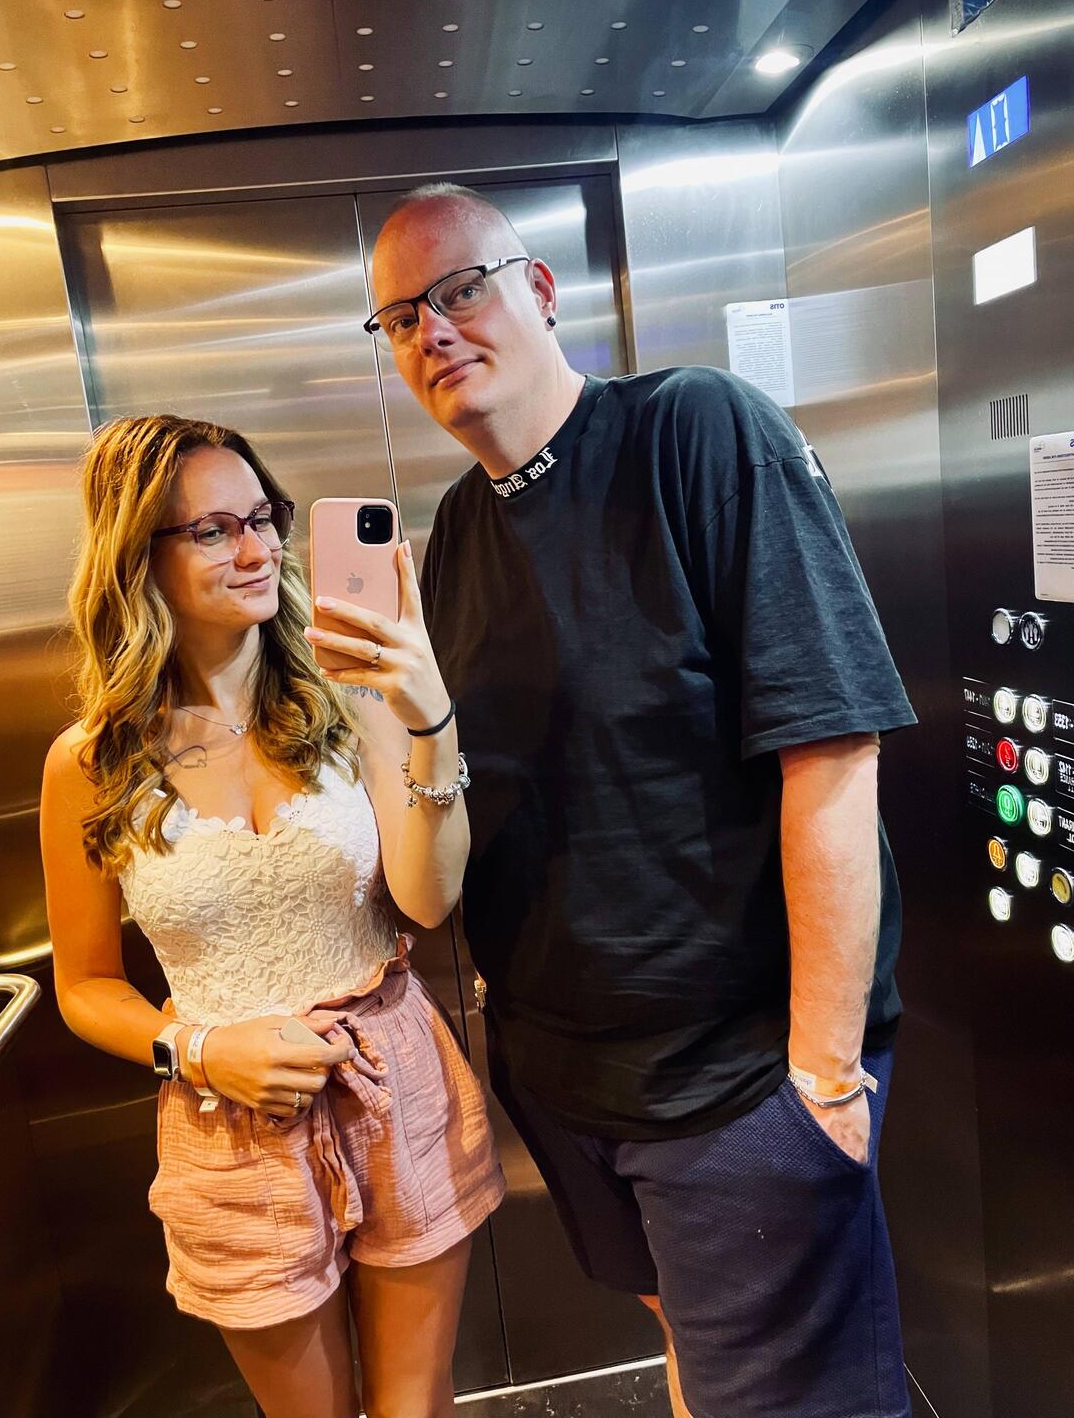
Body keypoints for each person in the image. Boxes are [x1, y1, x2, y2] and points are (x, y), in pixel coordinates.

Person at [366, 184, 917, 1418]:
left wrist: (823, 1078)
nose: (433, 330)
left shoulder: (698, 430)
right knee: (694, 1359)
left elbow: (831, 749)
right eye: (399, 318)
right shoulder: (456, 530)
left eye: (460, 290)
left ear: (540, 289)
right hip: (564, 1082)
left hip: (733, 1080)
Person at [39, 414, 504, 1418]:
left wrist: (429, 720)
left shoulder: (350, 701)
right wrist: (200, 1049)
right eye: (212, 531)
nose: (255, 550)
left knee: (416, 1404)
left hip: (393, 1079)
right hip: (229, 1125)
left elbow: (428, 901)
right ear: (137, 557)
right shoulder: (90, 763)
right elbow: (85, 986)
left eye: (262, 518)